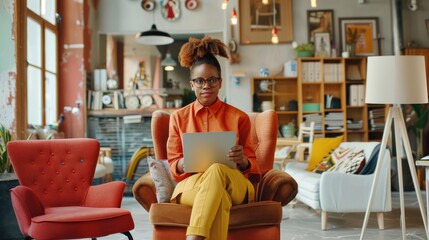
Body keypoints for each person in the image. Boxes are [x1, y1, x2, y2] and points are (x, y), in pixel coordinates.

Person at [167, 36, 261, 240]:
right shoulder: (178, 118)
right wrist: (187, 161)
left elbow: (253, 165)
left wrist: (242, 160)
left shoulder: (240, 118)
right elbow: (173, 165)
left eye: (212, 80)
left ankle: (194, 237)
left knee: (218, 170)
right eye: (199, 81)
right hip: (193, 185)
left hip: (235, 184)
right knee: (219, 197)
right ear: (192, 84)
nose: (206, 86)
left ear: (220, 83)